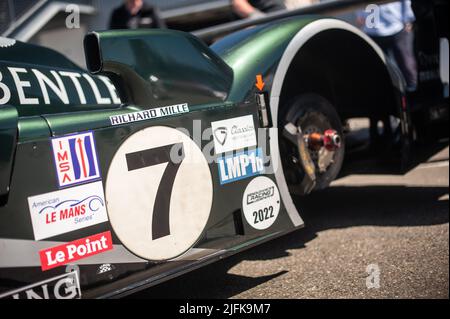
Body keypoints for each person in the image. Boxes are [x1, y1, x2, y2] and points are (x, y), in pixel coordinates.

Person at [357, 0, 418, 91]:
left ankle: (413, 90)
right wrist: (360, 15)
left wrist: (408, 19)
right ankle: (389, 93)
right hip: (373, 32)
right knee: (379, 68)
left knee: (406, 64)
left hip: (397, 28)